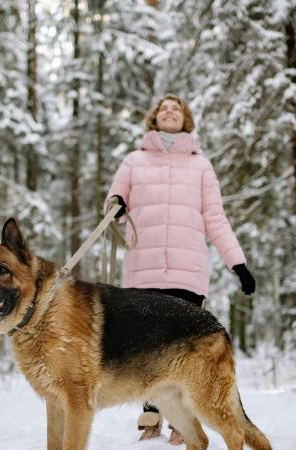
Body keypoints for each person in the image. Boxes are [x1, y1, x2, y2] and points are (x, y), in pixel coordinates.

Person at [105, 94, 256, 445]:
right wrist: (115, 205)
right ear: (154, 119)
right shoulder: (134, 160)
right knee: (144, 344)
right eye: (163, 108)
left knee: (182, 350)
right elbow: (113, 199)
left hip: (187, 272)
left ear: (186, 119)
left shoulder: (201, 166)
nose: (169, 111)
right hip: (143, 269)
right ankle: (150, 416)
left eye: (176, 108)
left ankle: (182, 420)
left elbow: (215, 218)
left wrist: (239, 263)